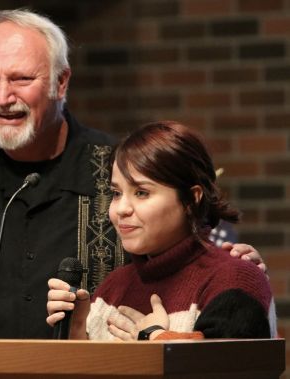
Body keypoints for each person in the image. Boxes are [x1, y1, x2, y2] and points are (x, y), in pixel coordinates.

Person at [0, 9, 266, 340]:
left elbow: (193, 252)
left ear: (61, 81)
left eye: (22, 79)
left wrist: (232, 261)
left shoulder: (119, 169)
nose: (3, 97)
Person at [46, 121, 276, 341]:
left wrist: (155, 337)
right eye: (116, 193)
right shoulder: (114, 286)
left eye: (142, 193)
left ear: (191, 199)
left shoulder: (234, 278)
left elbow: (225, 365)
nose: (122, 209)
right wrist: (76, 328)